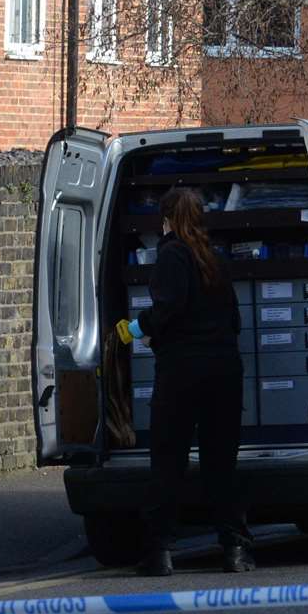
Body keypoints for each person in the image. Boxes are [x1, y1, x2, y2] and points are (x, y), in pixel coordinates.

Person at [115, 188, 254, 576]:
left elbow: (168, 308)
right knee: (221, 464)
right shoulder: (215, 258)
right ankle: (235, 549)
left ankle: (159, 551)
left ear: (168, 220)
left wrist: (137, 328)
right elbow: (234, 320)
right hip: (225, 372)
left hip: (182, 372)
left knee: (168, 461)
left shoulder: (172, 254)